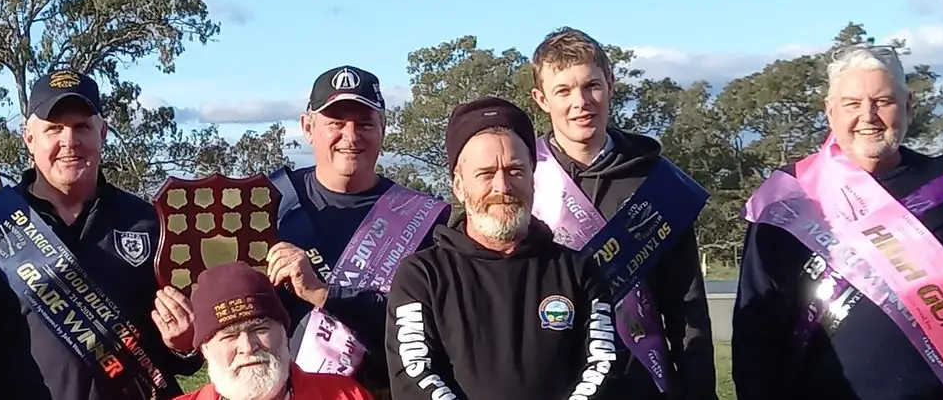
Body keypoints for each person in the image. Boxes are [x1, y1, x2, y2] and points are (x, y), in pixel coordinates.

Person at [733, 42, 943, 400]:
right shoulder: (789, 199)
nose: (868, 116)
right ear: (830, 112)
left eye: (883, 101)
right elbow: (755, 334)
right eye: (852, 104)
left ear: (908, 106)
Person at [0, 69, 201, 400]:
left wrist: (184, 346)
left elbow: (181, 355)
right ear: (29, 138)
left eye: (82, 127)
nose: (69, 141)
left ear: (102, 134)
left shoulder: (151, 225)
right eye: (54, 129)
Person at [528, 27, 719, 400]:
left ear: (612, 84)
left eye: (591, 85)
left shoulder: (657, 182)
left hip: (642, 384)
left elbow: (686, 307)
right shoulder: (524, 178)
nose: (580, 102)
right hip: (553, 382)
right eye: (563, 91)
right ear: (541, 99)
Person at [385, 96, 616, 400]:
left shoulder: (578, 269)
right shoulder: (422, 276)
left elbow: (603, 364)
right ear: (459, 185)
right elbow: (414, 375)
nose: (502, 187)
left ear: (533, 178)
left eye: (515, 170)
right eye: (485, 173)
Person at [264, 66, 448, 397]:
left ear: (383, 129)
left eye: (364, 123)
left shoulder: (427, 219)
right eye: (336, 123)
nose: (351, 136)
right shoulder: (270, 202)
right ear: (308, 127)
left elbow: (426, 331)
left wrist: (324, 294)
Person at [173, 261, 373, 400]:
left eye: (259, 328)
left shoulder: (346, 395)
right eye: (229, 335)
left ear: (284, 332)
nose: (248, 347)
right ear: (204, 349)